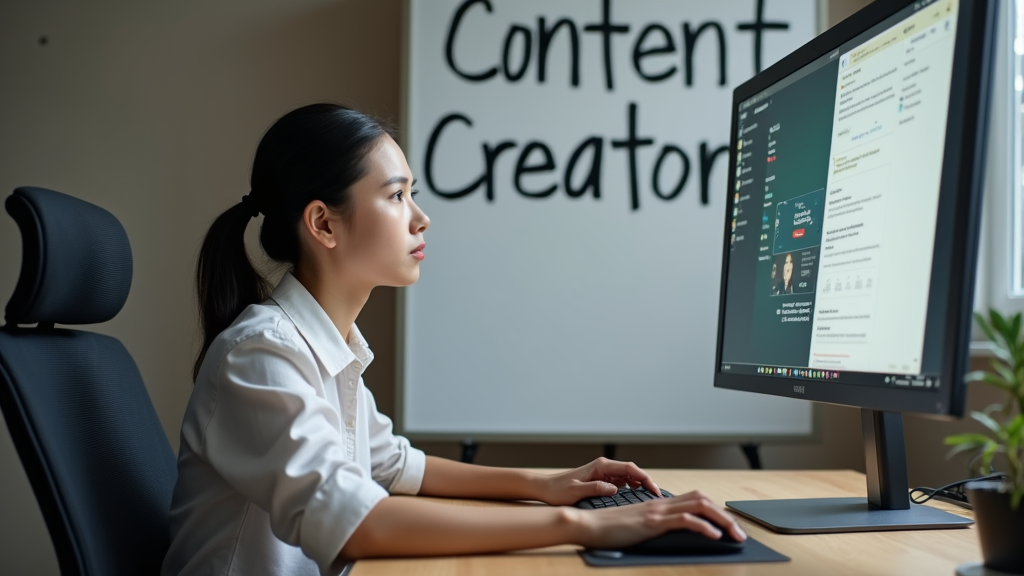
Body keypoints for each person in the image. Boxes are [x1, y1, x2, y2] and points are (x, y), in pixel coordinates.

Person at [163, 103, 746, 576]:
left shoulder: (323, 345)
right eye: (396, 196)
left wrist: (547, 486)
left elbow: (391, 466)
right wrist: (589, 526)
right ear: (323, 224)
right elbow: (359, 523)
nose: (421, 218)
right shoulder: (262, 354)